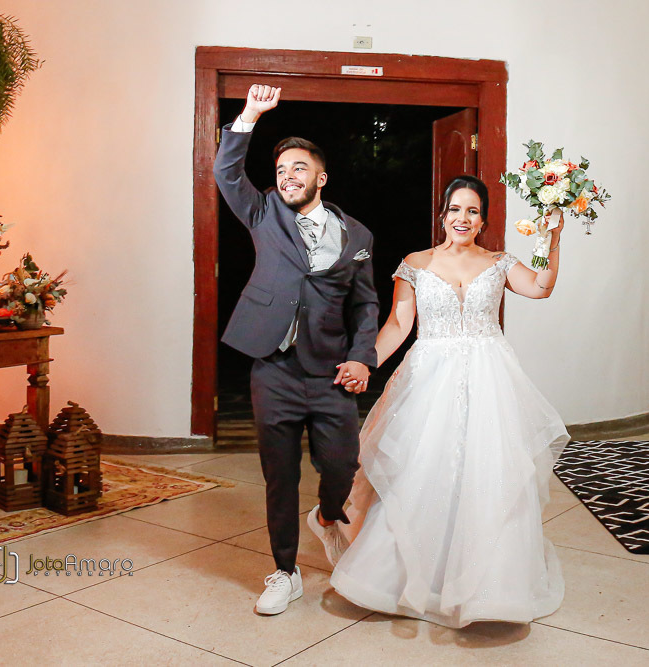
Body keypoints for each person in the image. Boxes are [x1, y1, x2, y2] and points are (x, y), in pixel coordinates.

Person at [330, 175, 570, 628]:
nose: (463, 218)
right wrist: (365, 363)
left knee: (488, 473)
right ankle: (406, 576)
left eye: (473, 211)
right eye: (455, 209)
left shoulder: (500, 262)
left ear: (483, 220)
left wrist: (551, 237)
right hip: (430, 378)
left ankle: (490, 587)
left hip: (490, 378)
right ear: (443, 215)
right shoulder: (415, 263)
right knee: (423, 470)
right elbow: (399, 325)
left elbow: (541, 287)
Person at [213, 84, 379, 615]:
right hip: (274, 370)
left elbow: (365, 305)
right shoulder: (264, 212)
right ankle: (285, 572)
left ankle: (327, 514)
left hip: (330, 371)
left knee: (342, 465)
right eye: (281, 169)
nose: (287, 175)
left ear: (321, 178)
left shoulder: (358, 236)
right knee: (279, 477)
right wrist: (250, 115)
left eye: (299, 168)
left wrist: (362, 356)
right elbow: (226, 173)